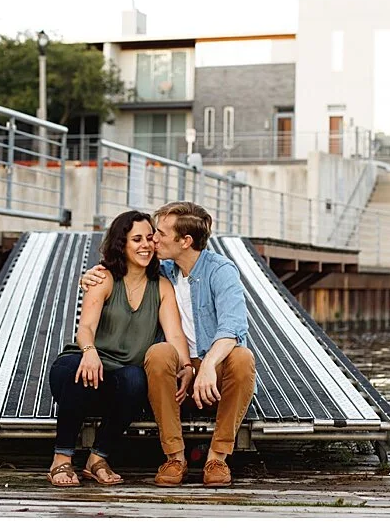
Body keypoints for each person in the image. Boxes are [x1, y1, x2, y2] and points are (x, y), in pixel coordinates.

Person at [81, 201, 255, 488]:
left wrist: (209, 364)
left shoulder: (222, 271)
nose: (153, 239)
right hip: (177, 372)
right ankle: (175, 457)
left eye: (160, 233)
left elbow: (233, 327)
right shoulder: (163, 271)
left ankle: (217, 458)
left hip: (216, 374)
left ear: (185, 241)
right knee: (159, 352)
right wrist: (87, 278)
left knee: (243, 357)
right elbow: (123, 270)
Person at [47, 210, 189, 488]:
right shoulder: (103, 278)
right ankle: (61, 458)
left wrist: (185, 367)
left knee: (136, 378)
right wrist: (89, 351)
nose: (146, 245)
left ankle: (97, 459)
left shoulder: (161, 287)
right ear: (121, 244)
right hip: (84, 366)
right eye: (136, 239)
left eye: (150, 238)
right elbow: (85, 328)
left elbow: (174, 334)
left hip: (120, 379)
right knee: (78, 370)